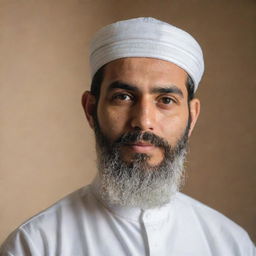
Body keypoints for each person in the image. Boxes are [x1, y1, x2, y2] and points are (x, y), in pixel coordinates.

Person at [0, 17, 255, 256]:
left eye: (166, 100)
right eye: (123, 97)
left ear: (192, 117)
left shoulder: (231, 244)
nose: (143, 120)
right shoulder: (35, 245)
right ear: (91, 109)